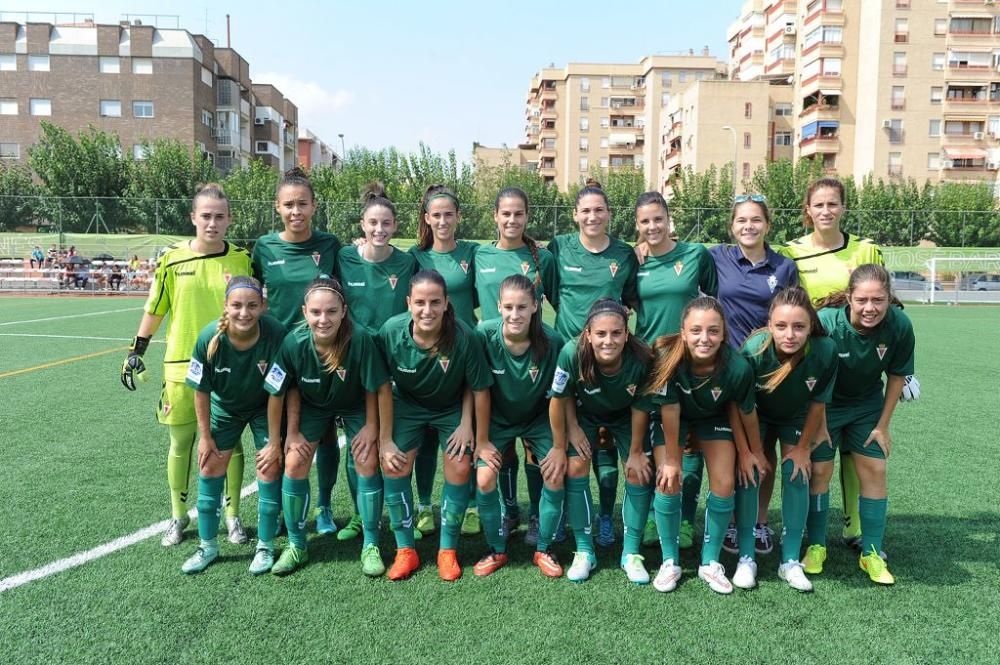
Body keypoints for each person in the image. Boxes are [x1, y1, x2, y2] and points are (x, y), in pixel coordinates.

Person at [121, 183, 252, 547]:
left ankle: (232, 516)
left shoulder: (242, 259)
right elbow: (155, 308)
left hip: (231, 368)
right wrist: (137, 350)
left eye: (219, 216)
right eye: (205, 216)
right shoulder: (171, 259)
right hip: (181, 367)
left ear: (229, 219)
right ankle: (178, 517)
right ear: (193, 217)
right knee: (181, 443)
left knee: (231, 445)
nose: (212, 223)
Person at [779, 177, 884, 551]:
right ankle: (811, 527)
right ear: (807, 210)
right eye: (818, 205)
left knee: (857, 448)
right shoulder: (791, 252)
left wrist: (903, 368)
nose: (826, 211)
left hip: (859, 365)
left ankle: (854, 525)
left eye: (833, 204)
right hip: (816, 362)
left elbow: (885, 302)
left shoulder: (865, 250)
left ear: (843, 208)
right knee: (819, 445)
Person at [263, 277, 391, 576]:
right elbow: (280, 390)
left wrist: (374, 429)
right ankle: (297, 546)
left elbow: (378, 388)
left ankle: (371, 544)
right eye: (317, 312)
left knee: (367, 459)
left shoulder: (359, 339)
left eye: (332, 311)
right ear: (305, 311)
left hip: (356, 404)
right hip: (313, 406)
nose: (324, 319)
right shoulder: (293, 342)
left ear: (344, 310)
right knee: (294, 462)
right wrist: (284, 436)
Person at [376, 270, 492, 581]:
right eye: (420, 303)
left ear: (446, 303)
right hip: (407, 406)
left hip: (451, 407)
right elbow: (381, 386)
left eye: (435, 302)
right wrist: (384, 438)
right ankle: (406, 551)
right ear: (408, 303)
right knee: (394, 465)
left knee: (459, 465)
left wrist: (470, 426)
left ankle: (447, 551)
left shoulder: (464, 336)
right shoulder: (391, 331)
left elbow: (477, 387)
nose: (427, 310)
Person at [647, 297, 766, 594]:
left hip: (714, 418)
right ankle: (669, 561)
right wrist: (673, 460)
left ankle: (709, 562)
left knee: (725, 483)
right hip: (676, 418)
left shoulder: (737, 366)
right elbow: (670, 411)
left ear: (724, 333)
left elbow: (746, 411)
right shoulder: (667, 355)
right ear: (684, 332)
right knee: (667, 479)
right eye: (696, 330)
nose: (705, 338)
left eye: (713, 331)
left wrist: (753, 452)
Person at [805, 264, 914, 585]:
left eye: (878, 300)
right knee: (820, 471)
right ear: (849, 298)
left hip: (867, 406)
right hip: (824, 405)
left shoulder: (900, 325)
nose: (870, 308)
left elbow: (897, 378)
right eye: (863, 300)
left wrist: (883, 425)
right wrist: (819, 423)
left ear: (889, 299)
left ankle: (871, 553)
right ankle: (816, 546)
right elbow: (811, 378)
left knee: (875, 470)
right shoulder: (826, 323)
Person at [547, 179, 639, 549]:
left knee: (603, 445)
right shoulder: (559, 248)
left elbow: (630, 299)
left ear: (609, 214)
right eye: (585, 210)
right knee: (574, 446)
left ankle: (604, 517)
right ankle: (557, 518)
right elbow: (553, 293)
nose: (592, 216)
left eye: (599, 210)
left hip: (612, 355)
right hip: (576, 358)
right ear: (575, 215)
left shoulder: (624, 254)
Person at [252, 166, 342, 536]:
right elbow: (247, 295)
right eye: (289, 205)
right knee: (288, 437)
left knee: (323, 434)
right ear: (277, 207)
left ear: (314, 206)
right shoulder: (264, 247)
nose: (296, 212)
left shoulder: (330, 245)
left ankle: (324, 507)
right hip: (279, 354)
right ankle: (287, 512)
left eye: (302, 204)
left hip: (322, 352)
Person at [707, 194, 798, 556]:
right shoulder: (716, 257)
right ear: (732, 225)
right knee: (732, 448)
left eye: (756, 220)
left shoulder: (784, 267)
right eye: (742, 220)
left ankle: (759, 523)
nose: (749, 226)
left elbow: (792, 314)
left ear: (767, 225)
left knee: (766, 451)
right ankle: (732, 522)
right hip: (727, 370)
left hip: (770, 371)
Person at [180, 277, 286, 574]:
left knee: (269, 467)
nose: (244, 312)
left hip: (265, 407)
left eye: (252, 305)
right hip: (224, 408)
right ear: (225, 306)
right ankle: (207, 547)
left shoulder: (275, 333)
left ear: (263, 306)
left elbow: (278, 391)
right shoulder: (208, 338)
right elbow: (200, 390)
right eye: (237, 305)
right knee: (209, 468)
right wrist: (204, 437)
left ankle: (265, 547)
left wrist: (275, 441)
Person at [471, 187, 557, 544]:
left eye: (518, 213)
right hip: (494, 358)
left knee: (535, 448)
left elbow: (559, 301)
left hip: (532, 356)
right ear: (495, 215)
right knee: (501, 449)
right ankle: (510, 512)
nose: (511, 220)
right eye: (505, 213)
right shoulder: (479, 255)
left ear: (527, 216)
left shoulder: (542, 259)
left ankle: (538, 515)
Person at [632, 191, 718, 549]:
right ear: (637, 225)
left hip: (689, 360)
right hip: (648, 362)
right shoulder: (634, 260)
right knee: (656, 439)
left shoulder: (696, 255)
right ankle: (655, 513)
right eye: (645, 221)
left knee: (690, 440)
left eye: (658, 219)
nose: (653, 226)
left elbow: (713, 303)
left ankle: (684, 518)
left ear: (669, 220)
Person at [740, 286, 838, 592]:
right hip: (758, 416)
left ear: (811, 325)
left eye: (799, 326)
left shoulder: (825, 351)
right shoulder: (754, 350)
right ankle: (747, 555)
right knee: (753, 470)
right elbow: (744, 407)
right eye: (781, 326)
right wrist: (755, 451)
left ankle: (791, 561)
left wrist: (802, 449)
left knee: (797, 472)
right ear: (770, 325)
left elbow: (818, 403)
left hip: (796, 418)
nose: (790, 334)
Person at [548, 299, 653, 583]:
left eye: (616, 333)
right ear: (588, 335)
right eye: (601, 334)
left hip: (626, 416)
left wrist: (634, 451)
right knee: (576, 466)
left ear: (626, 333)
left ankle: (630, 553)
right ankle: (584, 550)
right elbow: (560, 399)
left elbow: (641, 407)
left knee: (638, 470)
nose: (609, 341)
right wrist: (565, 439)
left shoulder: (642, 357)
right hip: (584, 413)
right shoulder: (571, 352)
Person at [335, 182, 416, 543]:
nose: (379, 230)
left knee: (395, 446)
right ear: (362, 225)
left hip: (396, 367)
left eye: (386, 223)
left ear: (395, 226)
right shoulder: (344, 258)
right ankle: (360, 514)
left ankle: (405, 514)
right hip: (354, 366)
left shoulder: (407, 263)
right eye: (373, 223)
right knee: (359, 448)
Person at [472, 275, 565, 577]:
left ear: (535, 307)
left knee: (553, 471)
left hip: (538, 419)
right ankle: (496, 549)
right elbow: (479, 390)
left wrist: (559, 445)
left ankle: (544, 548)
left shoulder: (552, 341)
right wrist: (483, 439)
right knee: (484, 479)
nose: (515, 315)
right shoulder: (484, 335)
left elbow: (558, 396)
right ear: (498, 306)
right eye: (508, 307)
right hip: (497, 419)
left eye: (522, 307)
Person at [408, 185, 481, 537]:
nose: (442, 221)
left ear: (458, 217)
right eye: (435, 215)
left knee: (463, 437)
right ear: (426, 218)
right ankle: (424, 505)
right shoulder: (415, 258)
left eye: (448, 214)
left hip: (464, 351)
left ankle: (468, 505)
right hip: (427, 353)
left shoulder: (473, 253)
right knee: (425, 438)